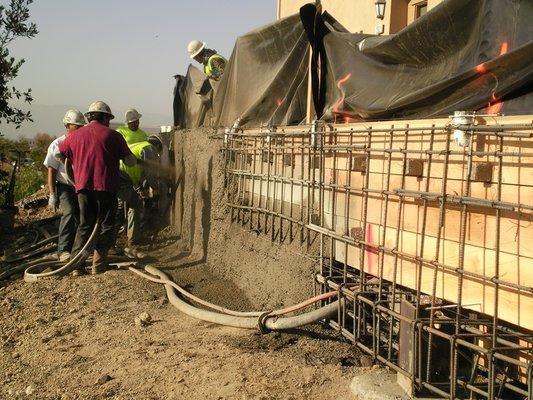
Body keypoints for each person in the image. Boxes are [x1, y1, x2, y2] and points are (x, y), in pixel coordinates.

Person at [57, 101, 137, 275]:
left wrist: (74, 168)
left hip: (83, 188)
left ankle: (76, 267)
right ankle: (98, 265)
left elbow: (59, 153)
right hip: (106, 188)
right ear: (105, 117)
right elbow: (130, 162)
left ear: (89, 117)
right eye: (108, 118)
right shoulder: (113, 136)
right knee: (107, 225)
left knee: (85, 225)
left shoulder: (75, 136)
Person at [43, 109, 85, 262]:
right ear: (68, 125)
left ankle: (80, 247)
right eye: (77, 126)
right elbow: (51, 170)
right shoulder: (58, 144)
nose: (80, 129)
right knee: (69, 213)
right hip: (65, 186)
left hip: (81, 186)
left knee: (83, 216)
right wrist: (52, 194)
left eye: (82, 126)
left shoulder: (84, 144)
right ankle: (64, 250)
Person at [116, 135, 162, 257]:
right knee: (121, 209)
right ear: (157, 146)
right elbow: (149, 172)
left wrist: (138, 188)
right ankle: (111, 241)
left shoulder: (139, 145)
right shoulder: (150, 149)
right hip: (122, 176)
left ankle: (131, 239)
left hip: (120, 174)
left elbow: (136, 169)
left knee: (133, 205)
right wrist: (156, 188)